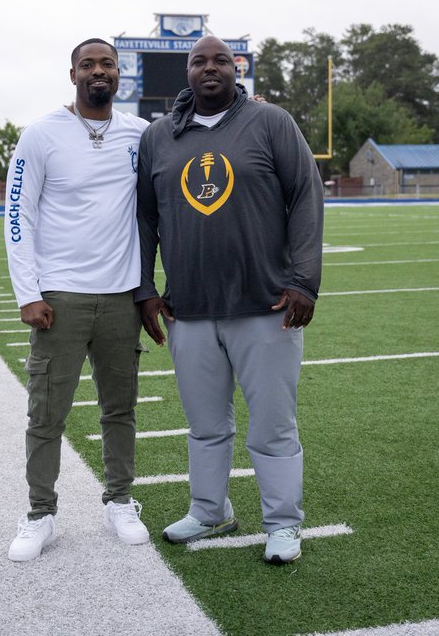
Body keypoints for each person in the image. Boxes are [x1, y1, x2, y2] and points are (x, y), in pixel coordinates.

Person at [135, 35, 324, 564]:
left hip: (264, 306)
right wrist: (147, 290)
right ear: (188, 72)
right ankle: (209, 509)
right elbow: (146, 218)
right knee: (206, 424)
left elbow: (307, 195)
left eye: (220, 60)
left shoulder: (271, 123)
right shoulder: (159, 136)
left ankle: (283, 523)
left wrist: (304, 281)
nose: (210, 68)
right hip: (189, 308)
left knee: (273, 425)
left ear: (235, 69)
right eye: (199, 61)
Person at [4, 38, 150, 561]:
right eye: (88, 64)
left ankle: (120, 500)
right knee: (46, 413)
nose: (98, 71)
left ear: (118, 75)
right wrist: (29, 293)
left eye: (107, 64)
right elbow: (19, 214)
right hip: (59, 296)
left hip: (119, 296)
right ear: (72, 75)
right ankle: (40, 513)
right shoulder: (41, 135)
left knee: (120, 409)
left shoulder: (140, 133)